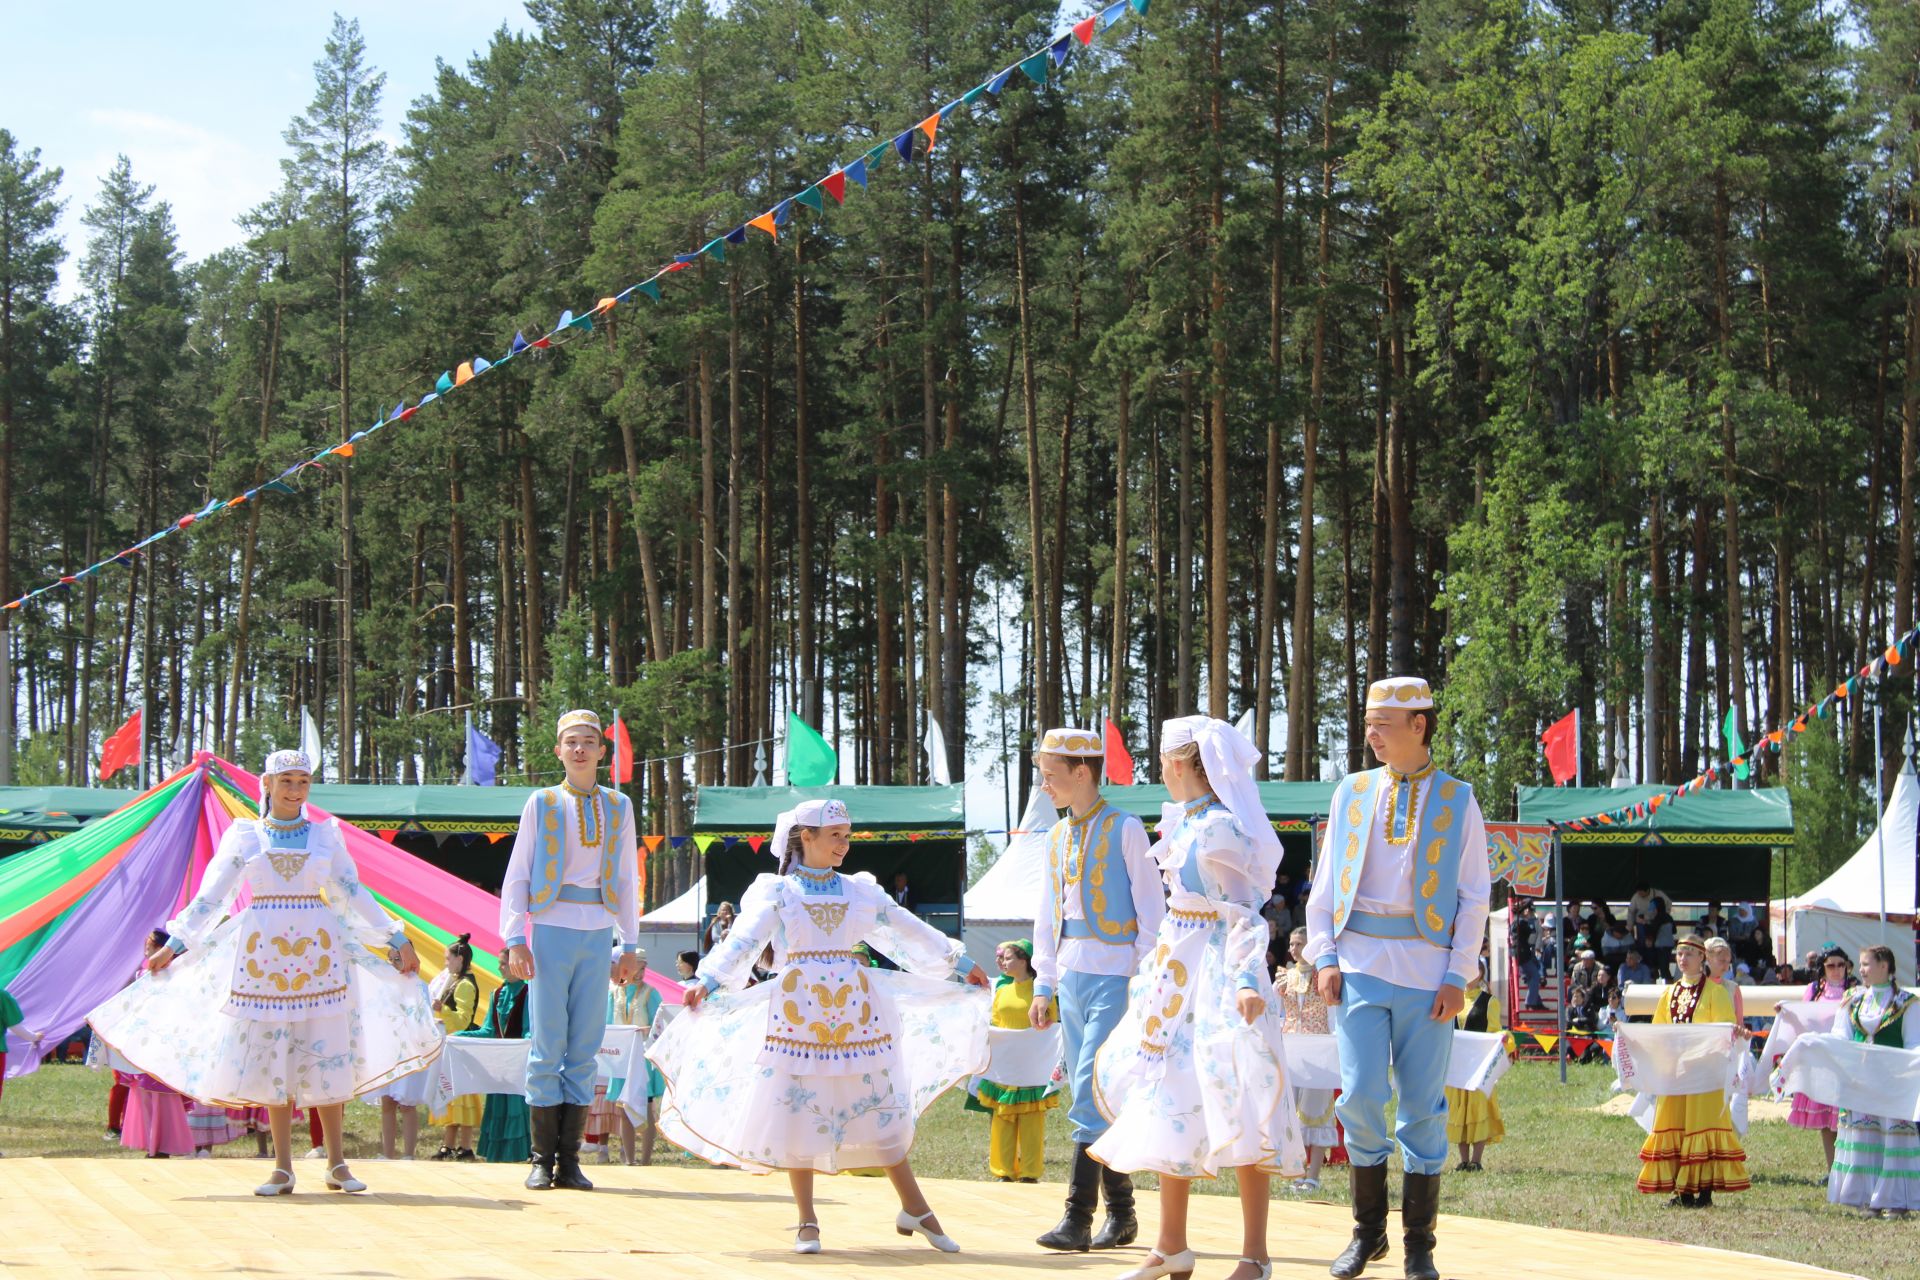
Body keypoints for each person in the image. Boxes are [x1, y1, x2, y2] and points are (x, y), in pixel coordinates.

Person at [88, 750, 438, 1195]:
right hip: (261, 958)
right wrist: (175, 946)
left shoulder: (326, 836)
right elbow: (211, 898)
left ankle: (336, 1163)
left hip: (318, 953)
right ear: (267, 784)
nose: (295, 790)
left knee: (326, 1052)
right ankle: (282, 1167)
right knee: (275, 1057)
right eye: (286, 780)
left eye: (303, 782)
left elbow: (351, 894)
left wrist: (395, 938)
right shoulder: (245, 836)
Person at [650, 798, 990, 1254]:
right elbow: (744, 940)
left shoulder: (859, 891)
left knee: (879, 1102)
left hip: (855, 1010)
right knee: (799, 1107)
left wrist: (958, 961)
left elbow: (905, 927)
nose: (844, 846)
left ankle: (916, 1207)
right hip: (798, 1010)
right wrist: (707, 981)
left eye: (847, 837)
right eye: (835, 836)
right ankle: (807, 1221)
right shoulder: (778, 892)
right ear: (804, 837)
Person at [1091, 715, 1301, 1280]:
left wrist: (1250, 980)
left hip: (1215, 979)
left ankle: (1255, 1254)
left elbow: (1241, 913)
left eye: (1163, 760)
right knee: (1169, 1103)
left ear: (1179, 764)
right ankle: (1171, 1246)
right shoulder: (1186, 821)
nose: (1160, 769)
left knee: (1239, 1101)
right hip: (1175, 978)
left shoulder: (1217, 829)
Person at [1306, 676, 1490, 1280]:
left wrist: (1459, 973)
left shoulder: (1460, 799)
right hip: (1358, 965)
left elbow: (1474, 896)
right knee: (1358, 1097)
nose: (1371, 734)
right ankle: (1367, 1233)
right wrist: (1324, 956)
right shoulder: (1351, 792)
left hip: (1427, 972)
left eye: (1383, 724)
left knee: (1421, 1110)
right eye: (1368, 722)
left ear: (1420, 725)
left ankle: (1418, 1246)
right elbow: (1325, 881)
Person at [1028, 726, 1165, 1253]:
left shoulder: (1126, 827)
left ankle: (1078, 1217)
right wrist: (1044, 981)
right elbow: (1046, 913)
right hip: (1073, 973)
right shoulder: (1056, 836)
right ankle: (1123, 1213)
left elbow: (1152, 911)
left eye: (1050, 777)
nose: (1045, 788)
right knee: (1098, 1094)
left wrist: (1142, 979)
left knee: (1090, 1088)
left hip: (1117, 975)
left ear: (1082, 772)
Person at [500, 709, 642, 1192]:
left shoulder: (620, 806)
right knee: (547, 1046)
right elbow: (519, 870)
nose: (579, 749)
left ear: (602, 752)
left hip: (599, 929)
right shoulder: (541, 802)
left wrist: (630, 943)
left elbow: (626, 877)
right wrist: (515, 937)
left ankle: (571, 1160)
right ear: (558, 750)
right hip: (553, 926)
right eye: (570, 742)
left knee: (584, 1047)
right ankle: (541, 1159)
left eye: (588, 742)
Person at [1635, 935, 1749, 1207]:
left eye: (1689, 954)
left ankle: (1705, 1192)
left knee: (1702, 1125)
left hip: (1705, 1073)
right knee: (1678, 1126)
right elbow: (1659, 1030)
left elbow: (1723, 1032)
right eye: (1679, 953)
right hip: (1676, 1075)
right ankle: (1683, 1193)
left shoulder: (1715, 992)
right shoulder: (1669, 993)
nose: (1683, 959)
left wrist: (1695, 1052)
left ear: (1702, 958)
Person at [1825, 945, 1920, 1217]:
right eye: (1861, 964)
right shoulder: (1852, 1000)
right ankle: (1867, 1198)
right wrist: (1816, 1043)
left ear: (1885, 967)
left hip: (1893, 1082)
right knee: (1865, 1136)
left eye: (1866, 964)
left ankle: (1895, 1201)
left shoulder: (1906, 1002)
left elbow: (1914, 1042)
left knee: (1893, 1138)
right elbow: (1839, 1036)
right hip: (1860, 1082)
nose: (1862, 970)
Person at [968, 939, 1060, 1183]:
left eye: (1008, 958)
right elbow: (995, 1023)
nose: (1003, 963)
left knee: (1031, 1121)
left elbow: (1054, 1025)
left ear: (1024, 961)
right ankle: (1003, 1171)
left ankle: (1030, 1172)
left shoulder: (1043, 991)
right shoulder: (1002, 990)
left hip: (1033, 1067)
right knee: (1002, 1118)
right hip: (1006, 1067)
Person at [1779, 949, 1854, 1178]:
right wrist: (1786, 1013)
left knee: (1846, 1121)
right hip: (1821, 1063)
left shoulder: (1854, 991)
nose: (1836, 970)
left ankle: (1848, 1169)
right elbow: (1803, 1019)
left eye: (1841, 965)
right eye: (1831, 965)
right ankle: (1832, 1170)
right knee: (1826, 1121)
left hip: (1846, 1061)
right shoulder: (1813, 990)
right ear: (1822, 967)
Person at [1277, 926, 1340, 1193]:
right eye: (1292, 944)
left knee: (1316, 1111)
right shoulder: (1284, 978)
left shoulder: (1322, 977)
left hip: (1318, 1048)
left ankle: (1313, 1175)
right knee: (1293, 1112)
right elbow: (1277, 1011)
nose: (1294, 949)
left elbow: (1333, 1014)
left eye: (1299, 943)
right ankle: (1297, 1171)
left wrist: (1334, 1044)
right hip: (1292, 1048)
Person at [591, 948, 663, 1166]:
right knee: (623, 1107)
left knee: (646, 1104)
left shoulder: (651, 993)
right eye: (636, 967)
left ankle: (646, 1159)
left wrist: (645, 1030)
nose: (640, 972)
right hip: (621, 1057)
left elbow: (659, 1026)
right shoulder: (614, 992)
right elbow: (607, 1023)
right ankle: (629, 1159)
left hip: (642, 1057)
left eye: (643, 968)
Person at [463, 974, 532, 1165]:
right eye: (500, 964)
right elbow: (488, 1030)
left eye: (504, 963)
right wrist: (459, 1036)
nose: (501, 968)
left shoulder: (528, 992)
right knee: (498, 1103)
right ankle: (497, 1153)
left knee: (516, 1104)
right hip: (499, 1062)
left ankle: (519, 1152)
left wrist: (524, 1044)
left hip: (516, 1061)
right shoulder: (497, 993)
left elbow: (529, 1028)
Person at [1445, 955, 1505, 1172]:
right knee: (1459, 1109)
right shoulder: (1452, 998)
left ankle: (1476, 1160)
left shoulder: (1489, 1001)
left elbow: (1494, 1031)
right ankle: (1463, 1159)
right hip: (1456, 1066)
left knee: (1478, 1108)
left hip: (1478, 1065)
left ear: (1480, 972)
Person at [429, 933, 484, 1161]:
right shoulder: (454, 981)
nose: (446, 963)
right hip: (451, 1044)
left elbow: (463, 1019)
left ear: (459, 959)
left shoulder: (465, 985)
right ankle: (449, 1144)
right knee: (451, 1094)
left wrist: (443, 1009)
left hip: (461, 1045)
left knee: (462, 1094)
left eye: (448, 959)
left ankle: (465, 1145)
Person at [1512, 908, 1544, 1011]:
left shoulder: (1516, 922)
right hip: (1523, 954)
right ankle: (1530, 1002)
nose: (1530, 913)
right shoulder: (1521, 923)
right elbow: (1530, 934)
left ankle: (1536, 1001)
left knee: (1532, 976)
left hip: (1523, 953)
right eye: (1528, 910)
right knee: (1535, 975)